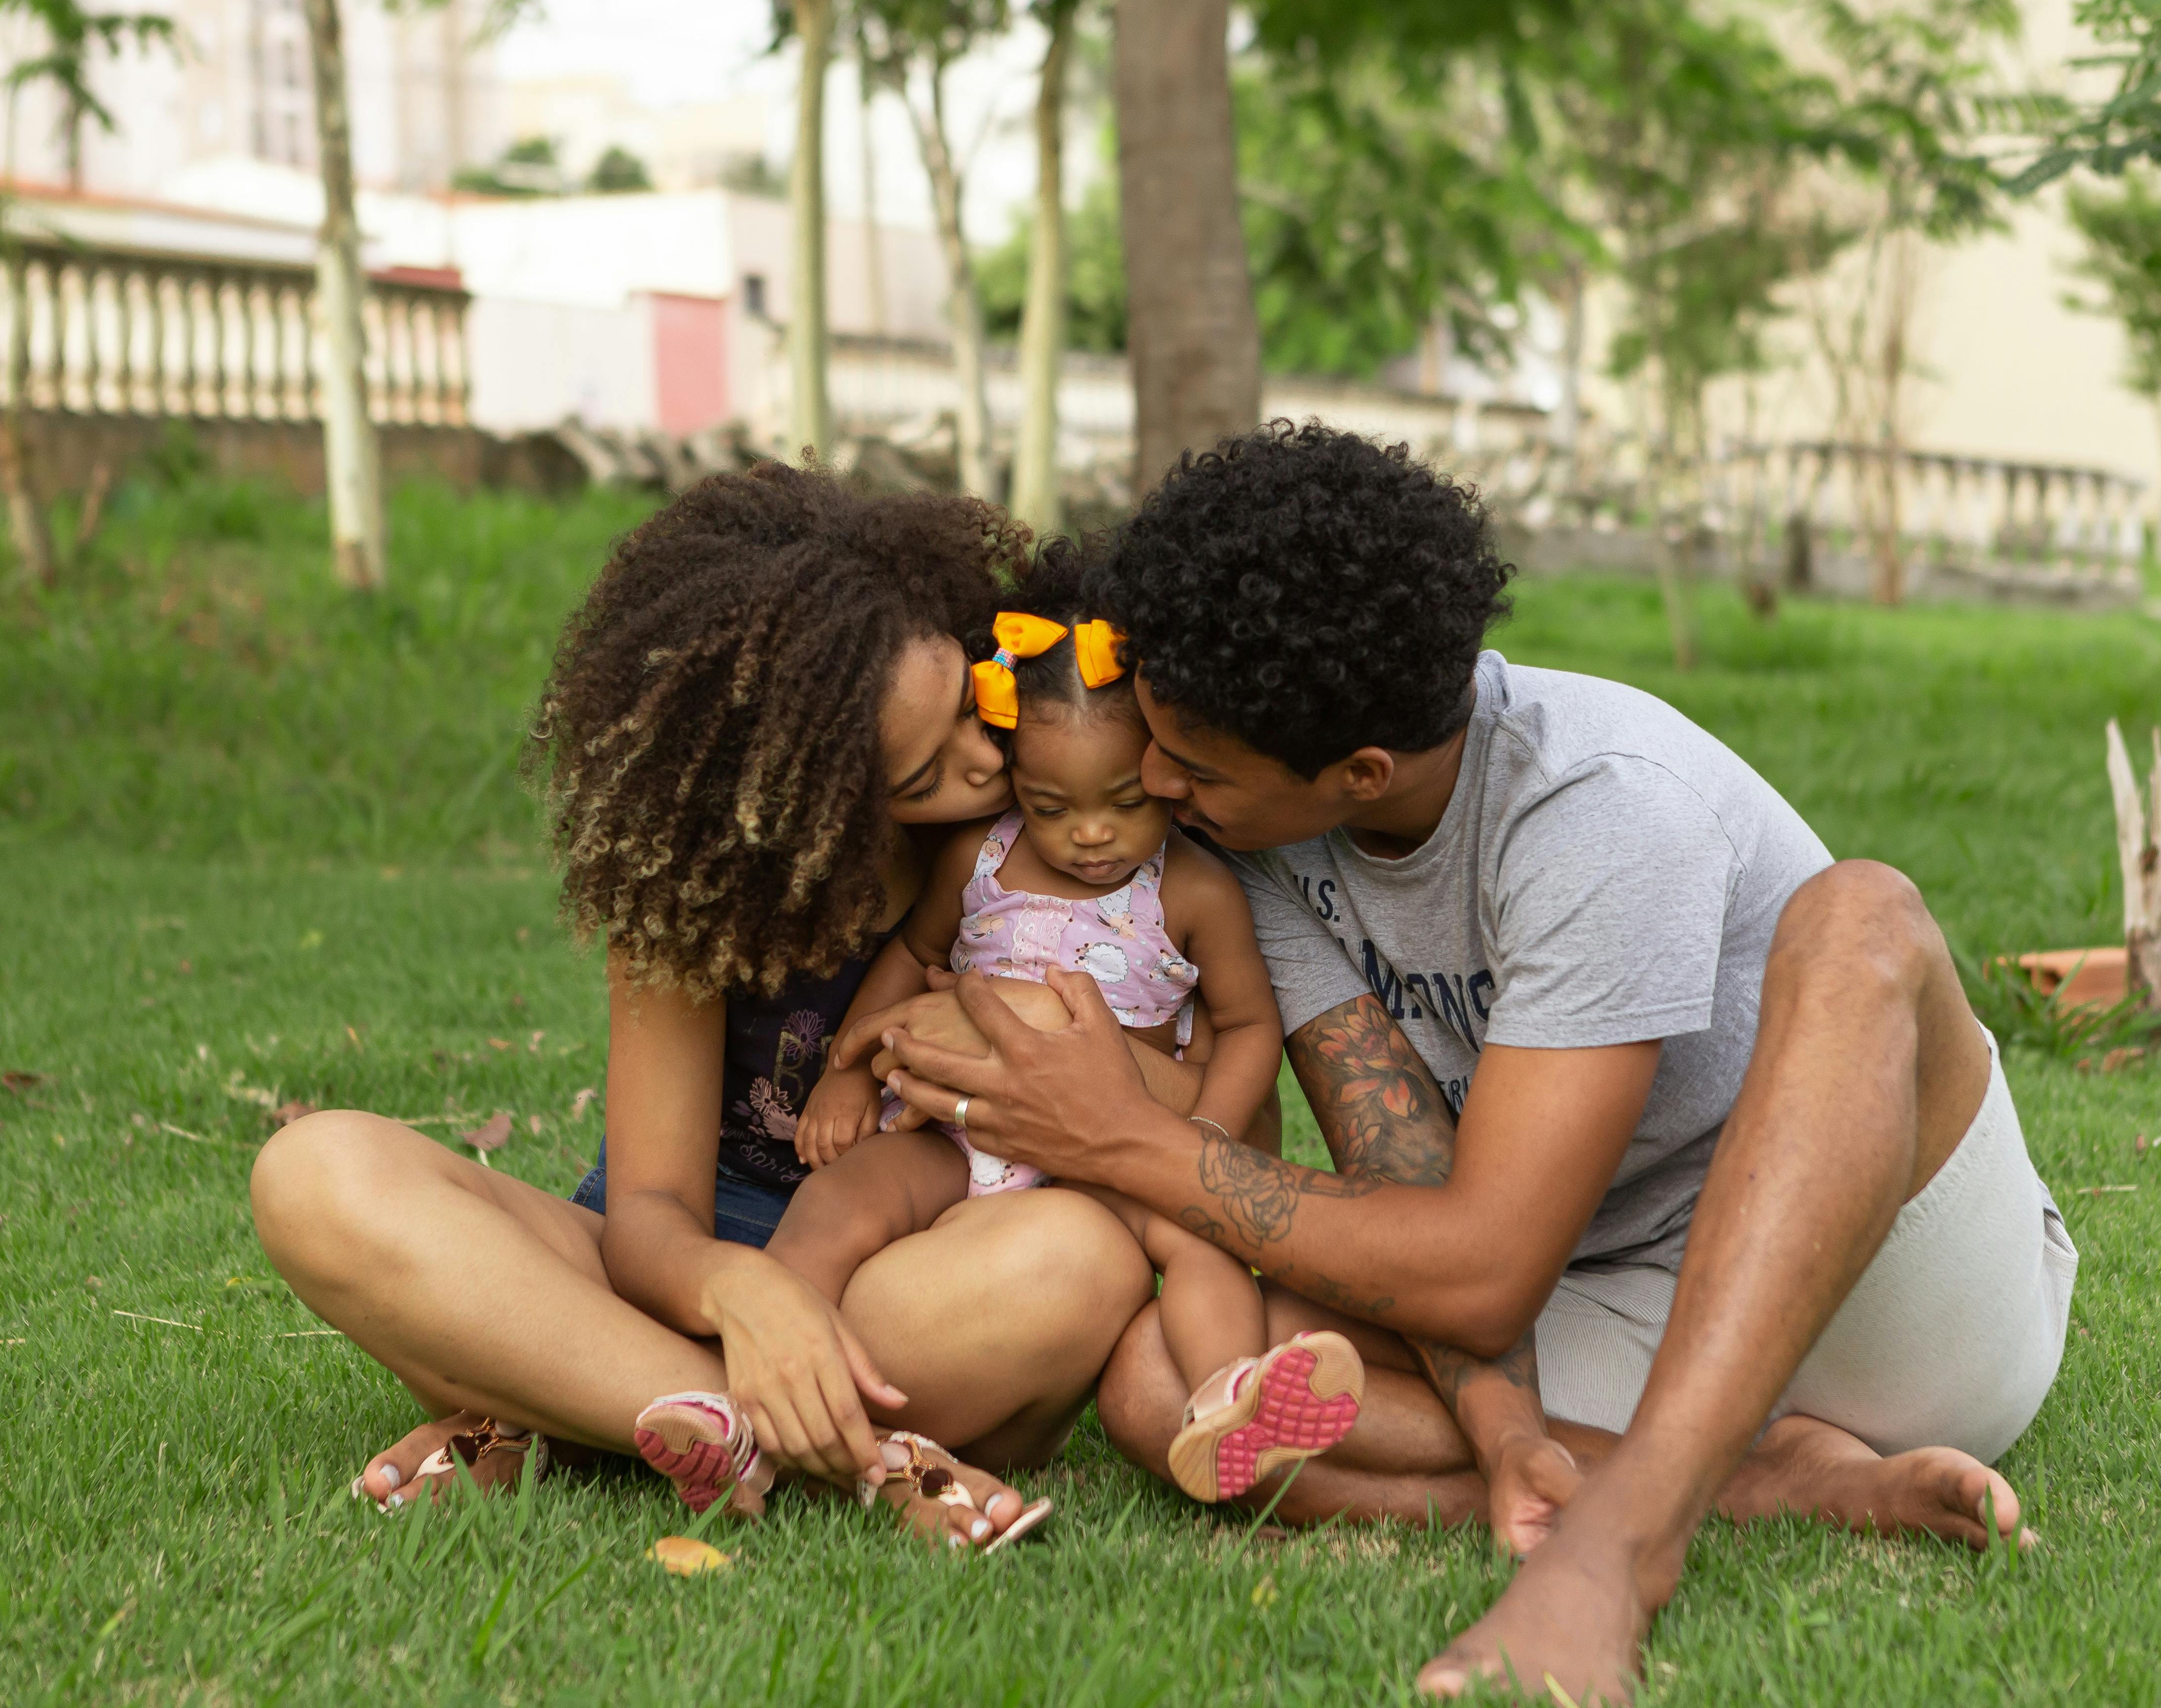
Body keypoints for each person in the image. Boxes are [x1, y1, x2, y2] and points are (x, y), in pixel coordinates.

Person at [859, 423, 2079, 1695]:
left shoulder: (1601, 804)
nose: (1157, 783)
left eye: (1194, 765)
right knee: (1170, 1390)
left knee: (1862, 913)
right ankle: (1773, 1483)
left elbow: (1484, 1270)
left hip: (1902, 1292)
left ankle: (1617, 1552)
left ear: (1360, 771)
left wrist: (1119, 1136)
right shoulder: (1267, 844)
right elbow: (1414, 1189)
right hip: (1612, 1296)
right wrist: (1501, 1429)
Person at [248, 464, 1154, 1549]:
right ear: (800, 799)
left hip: (900, 1289)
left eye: (973, 708)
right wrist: (742, 1297)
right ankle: (847, 1453)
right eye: (917, 780)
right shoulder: (695, 900)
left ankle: (575, 1415)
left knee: (1081, 1260)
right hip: (666, 1285)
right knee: (316, 1176)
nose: (985, 767)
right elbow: (647, 1223)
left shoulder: (1039, 853)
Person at [762, 542, 1368, 1505]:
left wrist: (1204, 1137)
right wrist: (846, 1070)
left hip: (1102, 1147)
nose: (1091, 833)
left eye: (1124, 803)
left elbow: (1250, 1028)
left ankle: (1228, 1399)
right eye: (1052, 806)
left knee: (1198, 1242)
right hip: (955, 1126)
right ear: (1016, 782)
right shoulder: (981, 857)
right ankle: (765, 1369)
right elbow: (912, 960)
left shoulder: (1197, 888)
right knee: (840, 1204)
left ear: (1163, 772)